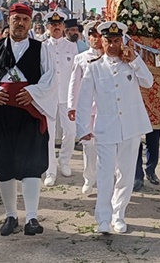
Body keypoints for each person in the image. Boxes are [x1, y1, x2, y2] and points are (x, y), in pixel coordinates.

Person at [0, 3, 58, 236]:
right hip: (1, 117)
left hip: (30, 115)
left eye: (25, 20)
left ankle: (31, 217)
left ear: (30, 23)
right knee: (4, 166)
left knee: (31, 165)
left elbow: (51, 79)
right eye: (16, 19)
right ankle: (10, 216)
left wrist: (33, 92)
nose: (20, 23)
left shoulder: (42, 49)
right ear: (8, 21)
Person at [75, 21, 154, 234]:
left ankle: (119, 214)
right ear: (101, 41)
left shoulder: (131, 63)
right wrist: (82, 128)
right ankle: (103, 217)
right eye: (109, 41)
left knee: (126, 174)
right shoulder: (93, 66)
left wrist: (136, 59)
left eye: (117, 40)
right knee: (105, 173)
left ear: (123, 41)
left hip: (131, 127)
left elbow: (148, 81)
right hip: (106, 128)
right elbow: (83, 101)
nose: (113, 45)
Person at [42, 12, 80, 187]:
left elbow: (75, 72)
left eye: (59, 25)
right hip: (48, 96)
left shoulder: (72, 47)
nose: (56, 27)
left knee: (71, 131)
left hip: (66, 96)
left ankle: (64, 160)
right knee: (48, 135)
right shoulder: (42, 47)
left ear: (63, 27)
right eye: (53, 24)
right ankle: (50, 170)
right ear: (48, 27)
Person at [66, 22, 104, 195]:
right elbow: (74, 84)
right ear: (88, 37)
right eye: (93, 36)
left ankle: (106, 181)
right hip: (88, 109)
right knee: (89, 147)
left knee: (107, 147)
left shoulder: (110, 56)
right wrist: (72, 106)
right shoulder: (81, 58)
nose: (97, 39)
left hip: (106, 110)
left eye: (99, 36)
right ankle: (89, 178)